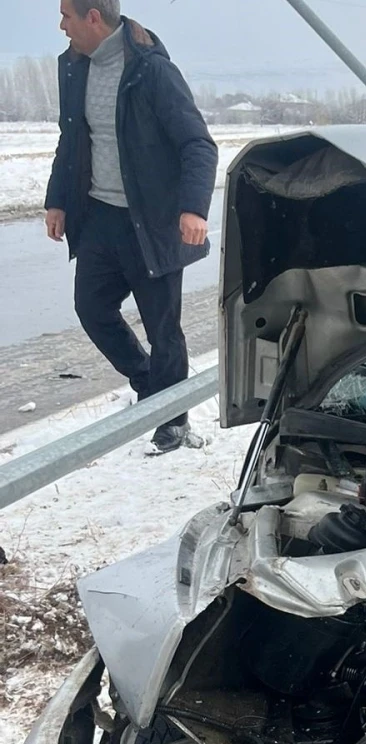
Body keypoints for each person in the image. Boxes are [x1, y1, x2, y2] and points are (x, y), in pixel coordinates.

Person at [45, 0, 217, 454]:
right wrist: (56, 200)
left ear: (93, 17)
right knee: (91, 308)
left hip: (151, 222)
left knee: (163, 328)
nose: (61, 26)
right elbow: (71, 138)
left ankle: (173, 421)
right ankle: (149, 386)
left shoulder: (151, 70)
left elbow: (198, 144)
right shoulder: (74, 66)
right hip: (99, 216)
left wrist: (193, 209)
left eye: (66, 16)